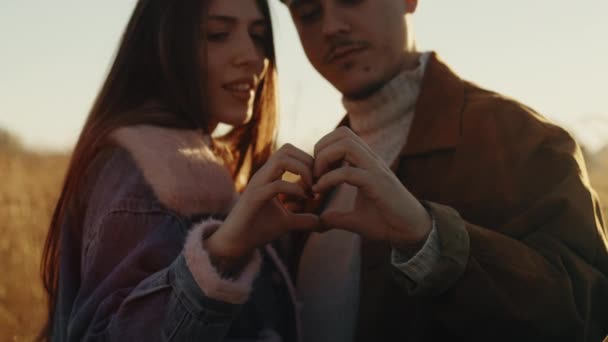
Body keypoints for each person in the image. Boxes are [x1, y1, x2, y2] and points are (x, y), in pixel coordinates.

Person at [275, 0, 608, 340]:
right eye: (308, 12)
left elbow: (583, 315)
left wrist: (428, 240)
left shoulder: (522, 138)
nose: (331, 27)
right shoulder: (311, 182)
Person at [40, 0, 318, 340]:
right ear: (163, 43)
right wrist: (219, 253)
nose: (252, 57)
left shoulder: (210, 166)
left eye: (258, 36)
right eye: (217, 34)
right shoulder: (142, 170)